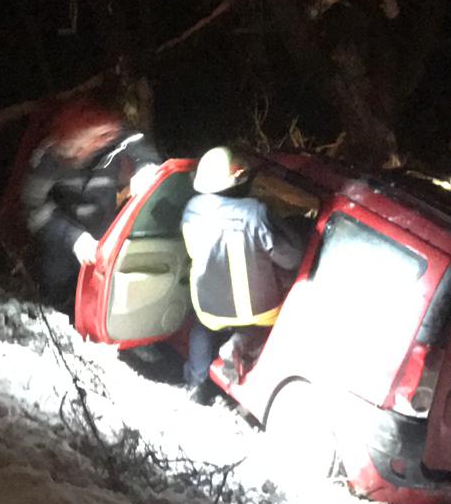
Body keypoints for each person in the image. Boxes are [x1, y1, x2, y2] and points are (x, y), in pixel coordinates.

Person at [180, 145, 304, 399]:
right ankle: (239, 343)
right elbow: (292, 258)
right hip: (258, 310)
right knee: (267, 323)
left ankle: (196, 383)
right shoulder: (255, 212)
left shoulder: (191, 210)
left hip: (210, 308)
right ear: (239, 181)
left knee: (202, 328)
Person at [18, 101, 162, 315]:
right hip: (63, 236)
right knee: (58, 283)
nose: (79, 152)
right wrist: (74, 238)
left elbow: (139, 145)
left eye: (95, 139)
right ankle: (60, 313)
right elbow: (32, 209)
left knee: (108, 288)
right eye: (73, 147)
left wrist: (147, 168)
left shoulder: (113, 138)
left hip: (104, 227)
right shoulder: (47, 159)